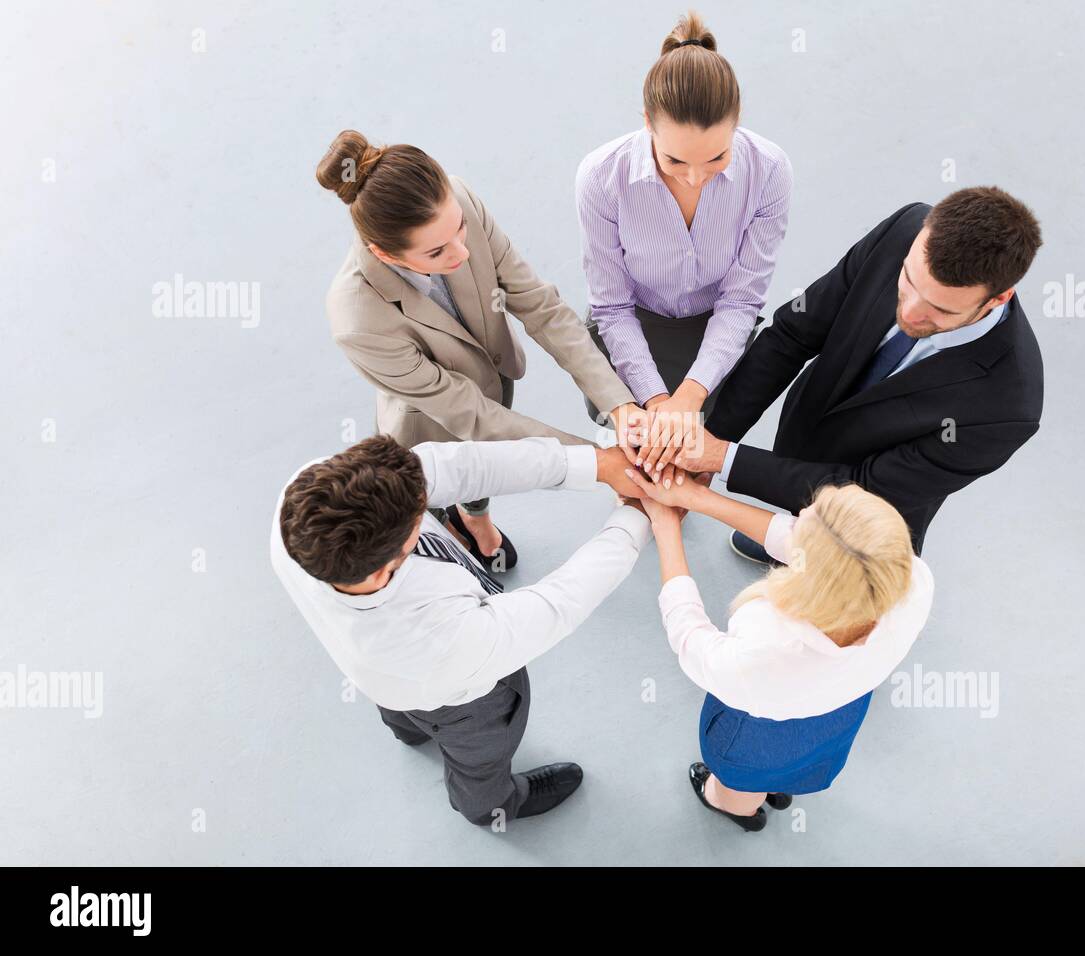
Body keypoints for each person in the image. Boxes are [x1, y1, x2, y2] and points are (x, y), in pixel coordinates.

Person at [270, 434, 652, 827]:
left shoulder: (303, 499)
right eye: (422, 514)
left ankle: (409, 732)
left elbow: (461, 466)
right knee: (482, 756)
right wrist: (636, 517)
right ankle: (492, 806)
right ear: (386, 565)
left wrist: (595, 465)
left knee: (401, 709)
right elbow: (559, 602)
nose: (432, 494)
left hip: (382, 678)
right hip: (460, 706)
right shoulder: (441, 640)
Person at [317, 129, 646, 572]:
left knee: (487, 472)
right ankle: (449, 525)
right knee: (430, 498)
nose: (462, 251)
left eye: (461, 231)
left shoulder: (458, 198)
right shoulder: (357, 319)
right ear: (382, 252)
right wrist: (600, 462)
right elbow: (470, 415)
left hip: (492, 379)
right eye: (437, 251)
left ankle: (476, 517)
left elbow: (542, 308)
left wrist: (621, 406)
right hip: (431, 425)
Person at [672, 186, 1045, 558]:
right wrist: (707, 439)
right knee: (793, 518)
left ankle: (803, 543)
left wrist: (722, 458)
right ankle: (791, 525)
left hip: (868, 522)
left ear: (998, 298)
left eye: (940, 310)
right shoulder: (905, 228)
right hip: (806, 432)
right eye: (908, 280)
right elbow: (792, 335)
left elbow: (864, 490)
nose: (910, 313)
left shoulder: (1008, 408)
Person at [620, 466, 933, 832]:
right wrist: (697, 498)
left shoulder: (767, 643)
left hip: (759, 735)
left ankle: (736, 808)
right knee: (800, 766)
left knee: (738, 783)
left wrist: (665, 527)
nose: (796, 517)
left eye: (802, 519)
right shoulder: (913, 579)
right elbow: (827, 554)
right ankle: (780, 788)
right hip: (840, 713)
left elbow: (691, 639)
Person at [576, 11, 792, 477]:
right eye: (675, 159)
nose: (695, 177)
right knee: (634, 471)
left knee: (692, 467)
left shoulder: (770, 171)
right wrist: (656, 401)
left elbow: (741, 300)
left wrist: (690, 397)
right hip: (631, 327)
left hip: (715, 330)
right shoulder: (600, 176)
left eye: (717, 157)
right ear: (647, 121)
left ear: (737, 124)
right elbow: (612, 308)